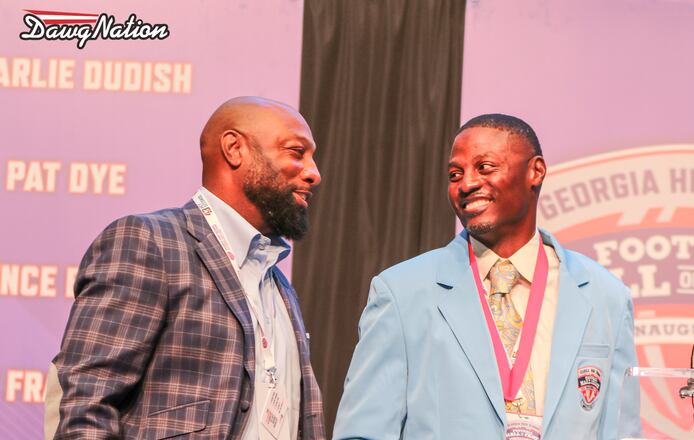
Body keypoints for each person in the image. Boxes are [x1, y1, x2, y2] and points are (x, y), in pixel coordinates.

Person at [333, 114, 641, 439]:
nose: (466, 184)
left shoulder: (605, 296)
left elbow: (622, 432)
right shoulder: (401, 293)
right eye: (455, 173)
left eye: (485, 167)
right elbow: (362, 432)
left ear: (535, 171)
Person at [44, 97, 325, 439]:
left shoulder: (278, 283)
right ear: (235, 149)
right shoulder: (150, 242)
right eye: (296, 152)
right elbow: (85, 405)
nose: (314, 173)